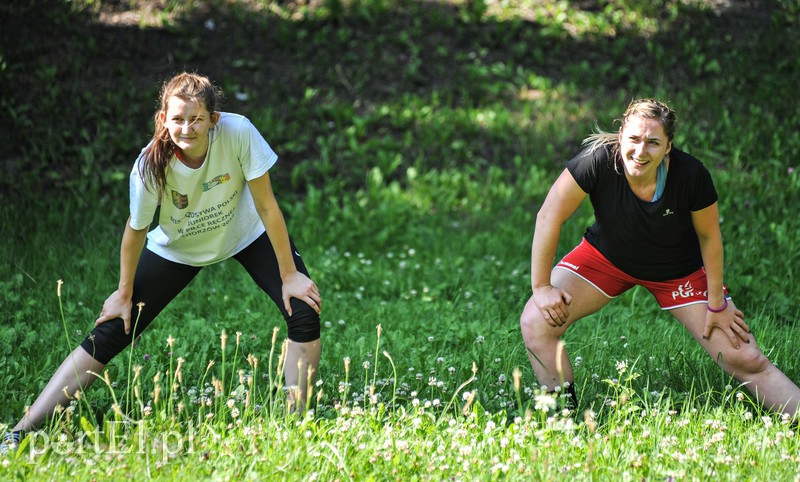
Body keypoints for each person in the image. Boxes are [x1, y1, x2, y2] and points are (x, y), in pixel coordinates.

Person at [3, 72, 322, 450]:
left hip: (246, 233)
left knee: (304, 309)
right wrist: (124, 294)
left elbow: (267, 206)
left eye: (196, 119)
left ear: (214, 119)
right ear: (163, 119)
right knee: (113, 330)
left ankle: (296, 427)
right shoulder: (149, 165)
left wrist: (289, 275)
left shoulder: (238, 132)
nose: (186, 128)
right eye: (178, 119)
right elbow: (135, 231)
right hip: (179, 248)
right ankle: (21, 431)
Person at [520, 98, 799, 417]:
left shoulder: (690, 174)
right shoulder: (597, 161)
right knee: (536, 321)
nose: (640, 151)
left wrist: (716, 303)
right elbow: (548, 216)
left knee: (745, 359)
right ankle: (562, 420)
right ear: (621, 135)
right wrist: (541, 287)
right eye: (634, 139)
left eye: (653, 142)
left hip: (678, 272)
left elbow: (709, 237)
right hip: (607, 258)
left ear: (668, 147)